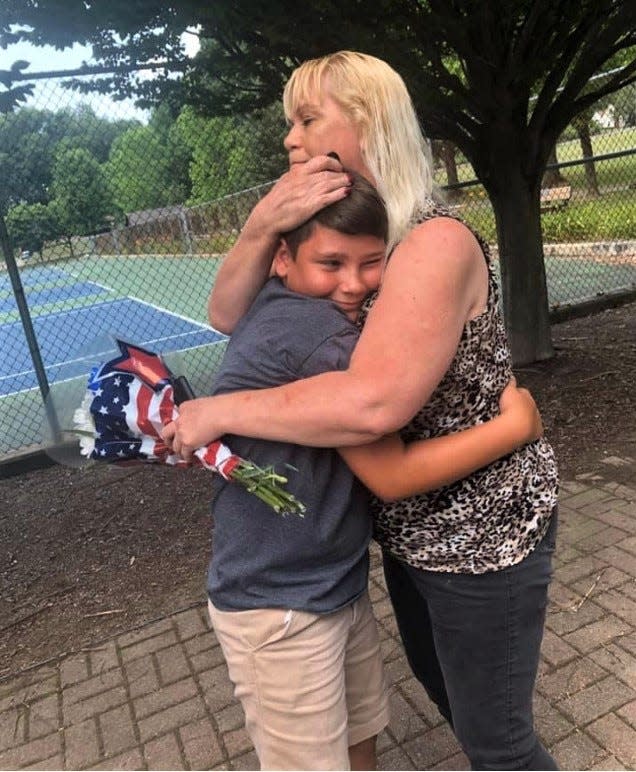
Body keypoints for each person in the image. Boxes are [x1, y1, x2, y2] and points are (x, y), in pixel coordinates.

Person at [164, 51, 559, 770]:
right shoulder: (357, 234)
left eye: (307, 119)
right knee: (454, 703)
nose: (290, 138)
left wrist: (222, 409)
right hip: (413, 539)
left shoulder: (431, 241)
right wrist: (260, 227)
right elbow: (228, 313)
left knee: (498, 742)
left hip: (481, 534)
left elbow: (373, 404)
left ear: (369, 123)